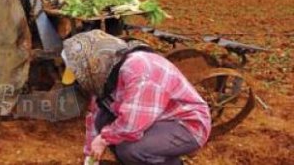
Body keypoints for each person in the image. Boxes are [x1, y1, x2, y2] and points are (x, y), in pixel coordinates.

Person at [62, 30, 211, 165]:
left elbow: (132, 125)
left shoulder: (139, 70)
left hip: (186, 124)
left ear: (94, 61)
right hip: (152, 118)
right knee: (103, 120)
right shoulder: (104, 75)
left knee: (130, 149)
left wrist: (103, 139)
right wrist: (90, 155)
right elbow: (94, 115)